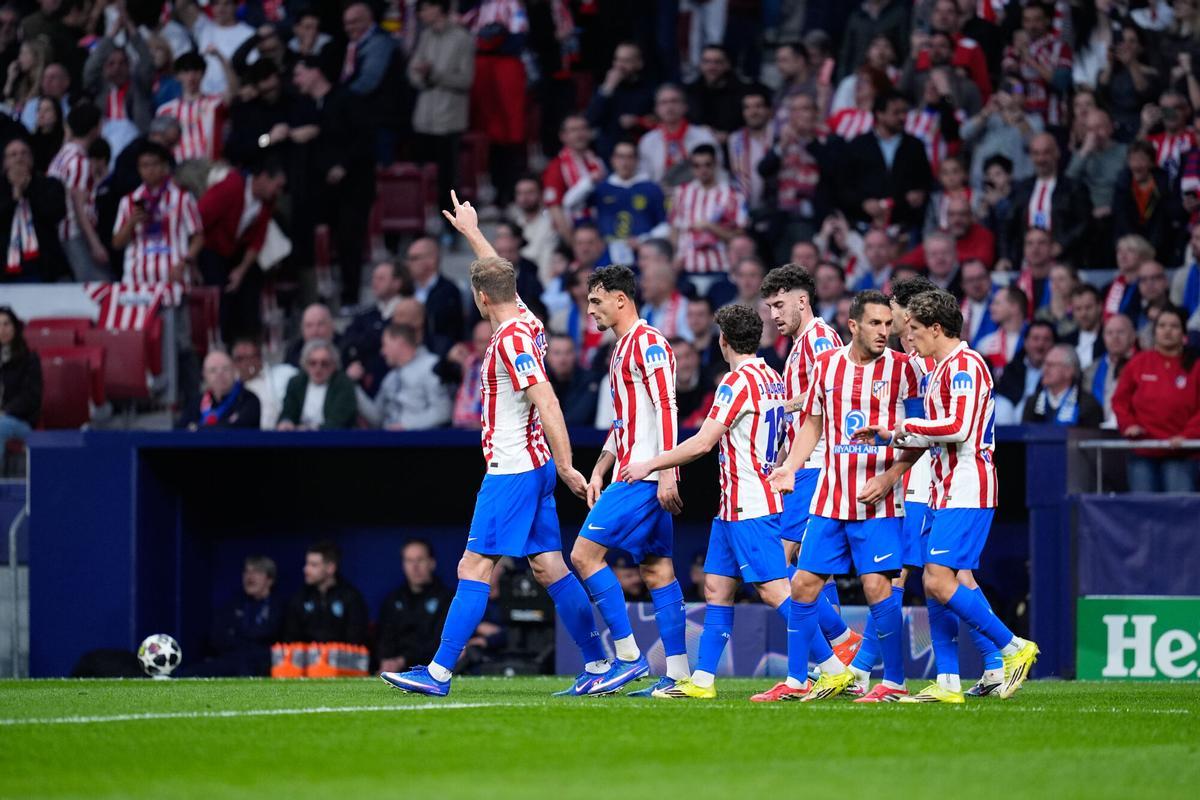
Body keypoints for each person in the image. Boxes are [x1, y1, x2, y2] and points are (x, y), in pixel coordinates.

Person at [381, 192, 608, 698]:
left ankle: (438, 672)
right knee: (550, 566)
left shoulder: (510, 340)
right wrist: (472, 231)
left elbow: (547, 402)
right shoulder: (525, 318)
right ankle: (598, 664)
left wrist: (570, 466)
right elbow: (496, 273)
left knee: (472, 566)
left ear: (480, 299)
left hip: (513, 469)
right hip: (533, 465)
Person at [857, 289, 1039, 702]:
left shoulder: (966, 366)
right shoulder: (940, 368)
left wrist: (901, 428)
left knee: (940, 580)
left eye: (915, 329)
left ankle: (1012, 648)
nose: (910, 338)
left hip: (968, 487)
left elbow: (957, 428)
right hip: (945, 486)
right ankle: (951, 682)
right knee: (937, 580)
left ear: (936, 328)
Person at [615, 304, 789, 699]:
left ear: (723, 339)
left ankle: (832, 666)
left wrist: (651, 464)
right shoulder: (772, 377)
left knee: (775, 591)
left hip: (751, 504)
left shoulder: (735, 381)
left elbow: (702, 442)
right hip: (733, 507)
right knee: (716, 588)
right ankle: (702, 681)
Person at [767, 290, 920, 703]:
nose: (884, 332)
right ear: (853, 325)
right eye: (875, 323)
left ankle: (894, 683)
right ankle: (797, 680)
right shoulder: (827, 366)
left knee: (876, 588)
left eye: (888, 324)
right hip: (831, 498)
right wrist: (791, 467)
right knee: (802, 585)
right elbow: (813, 426)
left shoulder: (904, 369)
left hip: (879, 501)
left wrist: (891, 476)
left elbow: (923, 433)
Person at [564, 263, 689, 698]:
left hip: (644, 476)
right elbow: (627, 421)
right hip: (631, 471)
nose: (591, 311)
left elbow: (668, 408)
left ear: (621, 299)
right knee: (656, 570)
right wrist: (600, 467)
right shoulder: (620, 350)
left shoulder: (649, 343)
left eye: (596, 301)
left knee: (583, 556)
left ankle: (629, 657)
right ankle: (677, 674)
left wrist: (667, 471)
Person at [291, 55, 376, 308]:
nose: (296, 80)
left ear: (315, 72)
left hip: (352, 189)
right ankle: (315, 299)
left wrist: (343, 165)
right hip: (318, 190)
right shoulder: (305, 105)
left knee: (350, 241)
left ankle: (351, 297)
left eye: (299, 73)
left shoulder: (347, 100)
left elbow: (363, 139)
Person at [1112, 306, 1200, 493]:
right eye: (1162, 326)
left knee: (1179, 510)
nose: (1167, 330)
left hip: (1182, 452)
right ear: (1154, 332)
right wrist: (1128, 424)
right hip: (1144, 449)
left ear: (1183, 333)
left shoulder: (1196, 366)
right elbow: (1120, 400)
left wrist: (1187, 436)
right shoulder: (1138, 362)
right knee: (1143, 511)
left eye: (1174, 326)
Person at [197, 158, 286, 343]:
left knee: (250, 282)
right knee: (219, 292)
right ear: (262, 178)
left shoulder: (267, 201)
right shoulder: (232, 187)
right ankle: (218, 342)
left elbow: (257, 239)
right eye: (276, 186)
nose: (278, 192)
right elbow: (198, 220)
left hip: (234, 251)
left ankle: (248, 339)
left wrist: (241, 270)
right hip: (209, 248)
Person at [408, 0, 473, 230]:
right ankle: (422, 224)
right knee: (423, 175)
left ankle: (453, 228)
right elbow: (412, 72)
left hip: (449, 120)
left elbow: (465, 79)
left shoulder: (462, 38)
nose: (422, 13)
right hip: (423, 118)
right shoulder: (426, 36)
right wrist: (423, 76)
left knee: (449, 179)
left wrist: (433, 74)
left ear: (439, 8)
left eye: (426, 8)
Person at [111, 142, 203, 287]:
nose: (150, 170)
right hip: (137, 281)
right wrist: (131, 223)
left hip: (174, 279)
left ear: (164, 167)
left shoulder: (182, 198)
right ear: (139, 169)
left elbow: (198, 237)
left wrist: (185, 263)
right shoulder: (128, 201)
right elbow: (117, 243)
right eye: (145, 166)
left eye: (154, 164)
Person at [839, 91, 931, 233]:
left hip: (904, 226)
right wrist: (863, 203)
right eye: (896, 113)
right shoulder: (858, 145)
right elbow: (844, 185)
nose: (902, 117)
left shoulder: (915, 146)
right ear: (879, 114)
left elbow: (926, 180)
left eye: (904, 112)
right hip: (865, 225)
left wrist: (919, 193)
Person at [178, 555, 282, 677]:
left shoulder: (279, 606)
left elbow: (274, 636)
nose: (250, 577)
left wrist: (241, 637)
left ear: (270, 580)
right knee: (188, 674)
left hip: (262, 663)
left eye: (257, 571)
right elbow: (217, 637)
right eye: (247, 571)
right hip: (231, 659)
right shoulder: (233, 605)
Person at [1005, 133, 1092, 267]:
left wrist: (1062, 244)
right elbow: (1010, 225)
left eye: (1046, 153)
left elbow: (1084, 223)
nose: (1041, 159)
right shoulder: (1021, 188)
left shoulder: (1074, 188)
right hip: (1027, 262)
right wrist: (1007, 257)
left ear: (1057, 153)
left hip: (1064, 260)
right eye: (1036, 153)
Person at [669, 144, 747, 282]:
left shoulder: (732, 195)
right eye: (697, 166)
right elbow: (675, 229)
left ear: (715, 164)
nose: (702, 170)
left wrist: (710, 227)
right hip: (687, 269)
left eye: (707, 164)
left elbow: (739, 235)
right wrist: (674, 256)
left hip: (720, 268)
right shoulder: (681, 193)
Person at [48, 102, 107, 282]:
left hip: (59, 232)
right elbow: (78, 206)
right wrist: (95, 244)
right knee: (96, 286)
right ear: (94, 129)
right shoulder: (80, 161)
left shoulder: (61, 155)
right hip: (74, 233)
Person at [376, 539, 454, 675]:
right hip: (394, 671)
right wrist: (386, 661)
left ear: (432, 563)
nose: (415, 566)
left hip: (432, 671)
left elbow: (440, 642)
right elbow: (384, 638)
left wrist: (403, 660)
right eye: (409, 561)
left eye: (420, 560)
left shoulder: (448, 599)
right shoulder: (393, 599)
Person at [588, 141, 668, 267]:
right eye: (620, 157)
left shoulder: (651, 188)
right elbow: (570, 205)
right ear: (613, 159)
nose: (625, 162)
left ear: (637, 160)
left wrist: (643, 240)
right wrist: (587, 182)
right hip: (607, 255)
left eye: (629, 157)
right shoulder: (601, 188)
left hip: (641, 256)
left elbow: (665, 225)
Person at [359, 323, 451, 430]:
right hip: (387, 440)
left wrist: (406, 426)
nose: (382, 352)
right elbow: (376, 419)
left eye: (385, 345)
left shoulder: (432, 366)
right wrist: (353, 387)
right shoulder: (390, 378)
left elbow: (443, 411)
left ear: (399, 342)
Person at [0, 137, 67, 283]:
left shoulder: (50, 184)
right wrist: (14, 196)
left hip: (44, 267)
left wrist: (28, 187)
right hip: (5, 270)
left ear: (32, 158)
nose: (19, 158)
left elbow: (56, 213)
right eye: (13, 154)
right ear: (4, 162)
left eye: (24, 153)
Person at [280, 541, 369, 645]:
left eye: (313, 565)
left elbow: (356, 639)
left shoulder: (351, 597)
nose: (305, 569)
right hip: (307, 659)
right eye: (307, 564)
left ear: (330, 568)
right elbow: (290, 638)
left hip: (340, 659)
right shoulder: (300, 597)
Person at [155, 51, 235, 164]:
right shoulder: (165, 110)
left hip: (211, 167)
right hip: (180, 171)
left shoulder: (215, 103)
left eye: (196, 71)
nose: (191, 77)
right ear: (178, 76)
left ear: (203, 74)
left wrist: (219, 56)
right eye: (186, 72)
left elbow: (233, 91)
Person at [1112, 140, 1183, 266]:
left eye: (1141, 159)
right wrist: (1135, 247)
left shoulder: (1163, 185)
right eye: (1133, 160)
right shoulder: (1122, 185)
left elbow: (1164, 221)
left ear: (1151, 163)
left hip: (1158, 248)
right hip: (1130, 244)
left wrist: (1151, 250)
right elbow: (1121, 219)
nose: (1136, 165)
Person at [585, 41, 654, 162]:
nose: (620, 66)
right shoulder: (605, 88)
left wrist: (637, 121)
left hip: (640, 152)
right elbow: (591, 120)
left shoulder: (649, 89)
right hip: (609, 153)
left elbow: (656, 120)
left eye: (626, 61)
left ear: (639, 63)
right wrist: (607, 88)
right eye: (617, 60)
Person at [343, 262, 405, 397]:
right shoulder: (365, 314)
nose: (374, 283)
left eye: (381, 278)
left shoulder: (408, 311)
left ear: (397, 283)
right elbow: (348, 340)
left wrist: (369, 338)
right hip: (366, 381)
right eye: (374, 278)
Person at [637, 84, 718, 186]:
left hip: (698, 197)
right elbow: (644, 177)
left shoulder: (704, 136)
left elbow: (718, 171)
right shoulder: (647, 141)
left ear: (685, 107)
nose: (669, 107)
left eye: (674, 101)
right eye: (664, 102)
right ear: (656, 109)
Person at [541, 114, 606, 240]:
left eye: (583, 129)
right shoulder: (556, 167)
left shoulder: (597, 162)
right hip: (574, 236)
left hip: (598, 231)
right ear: (563, 136)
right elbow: (555, 210)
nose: (580, 134)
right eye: (574, 130)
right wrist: (573, 245)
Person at [277, 339, 357, 431]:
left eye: (324, 364)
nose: (318, 368)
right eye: (313, 363)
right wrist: (286, 422)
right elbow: (288, 411)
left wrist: (309, 429)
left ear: (334, 365)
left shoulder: (344, 384)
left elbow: (338, 422)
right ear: (305, 364)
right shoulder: (296, 383)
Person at [1022, 344, 1104, 428]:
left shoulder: (1087, 405)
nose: (1045, 369)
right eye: (1045, 364)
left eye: (1051, 365)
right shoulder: (1033, 402)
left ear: (1069, 371)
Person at [404, 236, 464, 349]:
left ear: (432, 260)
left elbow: (451, 332)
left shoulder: (448, 292)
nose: (408, 263)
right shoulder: (405, 289)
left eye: (413, 258)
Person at [993, 319, 1055, 424]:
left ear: (1054, 344)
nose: (1040, 345)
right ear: (1025, 342)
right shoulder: (1012, 368)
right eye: (1035, 339)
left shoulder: (1057, 371)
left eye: (1046, 339)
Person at [179, 350, 260, 430]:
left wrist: (197, 428)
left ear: (234, 371)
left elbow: (236, 429)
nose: (220, 374)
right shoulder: (196, 403)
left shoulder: (249, 400)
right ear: (204, 375)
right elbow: (180, 431)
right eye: (213, 370)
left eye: (225, 369)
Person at [1084, 313, 1138, 429]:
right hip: (1099, 431)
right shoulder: (1091, 370)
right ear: (1103, 337)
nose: (1115, 337)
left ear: (1133, 336)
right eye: (1109, 333)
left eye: (1121, 332)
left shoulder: (1145, 365)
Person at [232, 337, 297, 431]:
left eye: (249, 357)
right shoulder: (230, 385)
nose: (245, 363)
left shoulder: (283, 374)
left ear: (259, 358)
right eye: (240, 359)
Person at [0, 307, 39, 449]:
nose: (2, 329)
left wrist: (5, 411)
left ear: (15, 327)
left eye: (6, 324)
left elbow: (31, 397)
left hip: (19, 420)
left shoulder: (29, 359)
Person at [544, 333, 599, 426]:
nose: (562, 359)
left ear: (575, 354)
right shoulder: (540, 382)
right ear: (547, 356)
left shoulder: (589, 382)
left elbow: (578, 419)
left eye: (568, 353)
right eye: (557, 353)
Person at [639, 258, 690, 340]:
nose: (642, 285)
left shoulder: (684, 308)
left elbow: (687, 343)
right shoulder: (646, 309)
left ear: (663, 284)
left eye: (647, 280)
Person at [1063, 284, 1105, 371]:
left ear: (1100, 307)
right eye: (1078, 309)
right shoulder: (1065, 342)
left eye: (1088, 307)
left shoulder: (1109, 339)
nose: (1083, 314)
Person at [960, 258, 997, 347]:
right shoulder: (956, 309)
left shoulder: (1000, 304)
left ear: (989, 279)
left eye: (980, 278)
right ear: (962, 285)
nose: (976, 284)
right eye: (970, 280)